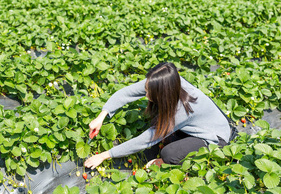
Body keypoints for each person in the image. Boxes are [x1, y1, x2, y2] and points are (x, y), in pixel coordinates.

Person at [84, 62, 231, 169]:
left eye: (149, 93)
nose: (146, 94)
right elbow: (126, 93)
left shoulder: (183, 110)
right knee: (158, 122)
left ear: (163, 93)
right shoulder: (166, 82)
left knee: (169, 153)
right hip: (197, 125)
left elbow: (145, 140)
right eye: (147, 89)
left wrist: (104, 155)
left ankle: (168, 163)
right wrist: (102, 116)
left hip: (214, 138)